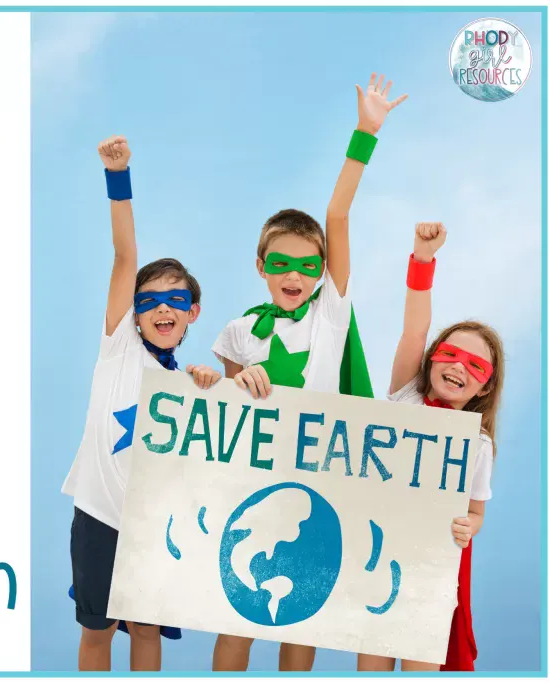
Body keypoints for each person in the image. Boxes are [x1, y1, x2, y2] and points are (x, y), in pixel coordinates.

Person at [210, 73, 407, 672]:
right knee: (236, 613)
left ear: (323, 271)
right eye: (280, 263)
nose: (294, 275)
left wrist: (364, 133)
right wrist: (235, 379)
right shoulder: (240, 329)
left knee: (303, 616)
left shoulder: (330, 313)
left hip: (320, 478)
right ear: (261, 266)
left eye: (307, 264)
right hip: (254, 480)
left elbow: (337, 215)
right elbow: (220, 406)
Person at [61, 134, 221, 671]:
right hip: (99, 515)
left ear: (192, 312)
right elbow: (125, 254)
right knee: (98, 629)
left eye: (175, 300)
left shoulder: (194, 384)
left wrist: (217, 381)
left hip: (156, 521)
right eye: (148, 301)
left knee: (147, 628)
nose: (161, 309)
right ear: (132, 313)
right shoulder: (119, 348)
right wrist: (119, 177)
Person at [357, 222, 503, 672]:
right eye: (451, 355)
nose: (460, 368)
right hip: (378, 562)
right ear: (432, 357)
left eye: (475, 366)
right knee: (373, 667)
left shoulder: (477, 444)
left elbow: (476, 513)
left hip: (432, 570)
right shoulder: (407, 395)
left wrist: (468, 527)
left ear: (484, 387)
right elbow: (414, 331)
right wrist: (422, 261)